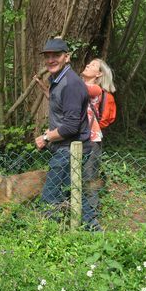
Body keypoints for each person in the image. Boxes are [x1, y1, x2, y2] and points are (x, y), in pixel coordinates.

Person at [34, 38, 100, 231]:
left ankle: (51, 239)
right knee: (73, 192)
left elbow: (71, 127)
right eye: (48, 56)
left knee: (49, 198)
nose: (51, 60)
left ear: (67, 57)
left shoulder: (70, 83)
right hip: (65, 147)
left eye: (56, 55)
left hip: (70, 149)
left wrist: (46, 137)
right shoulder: (57, 80)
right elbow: (64, 114)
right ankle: (95, 232)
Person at [81, 58, 116, 221]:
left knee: (89, 177)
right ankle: (74, 211)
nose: (88, 65)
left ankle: (91, 218)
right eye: (88, 63)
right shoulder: (79, 86)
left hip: (91, 140)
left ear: (99, 73)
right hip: (74, 138)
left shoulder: (94, 89)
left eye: (93, 65)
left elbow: (107, 119)